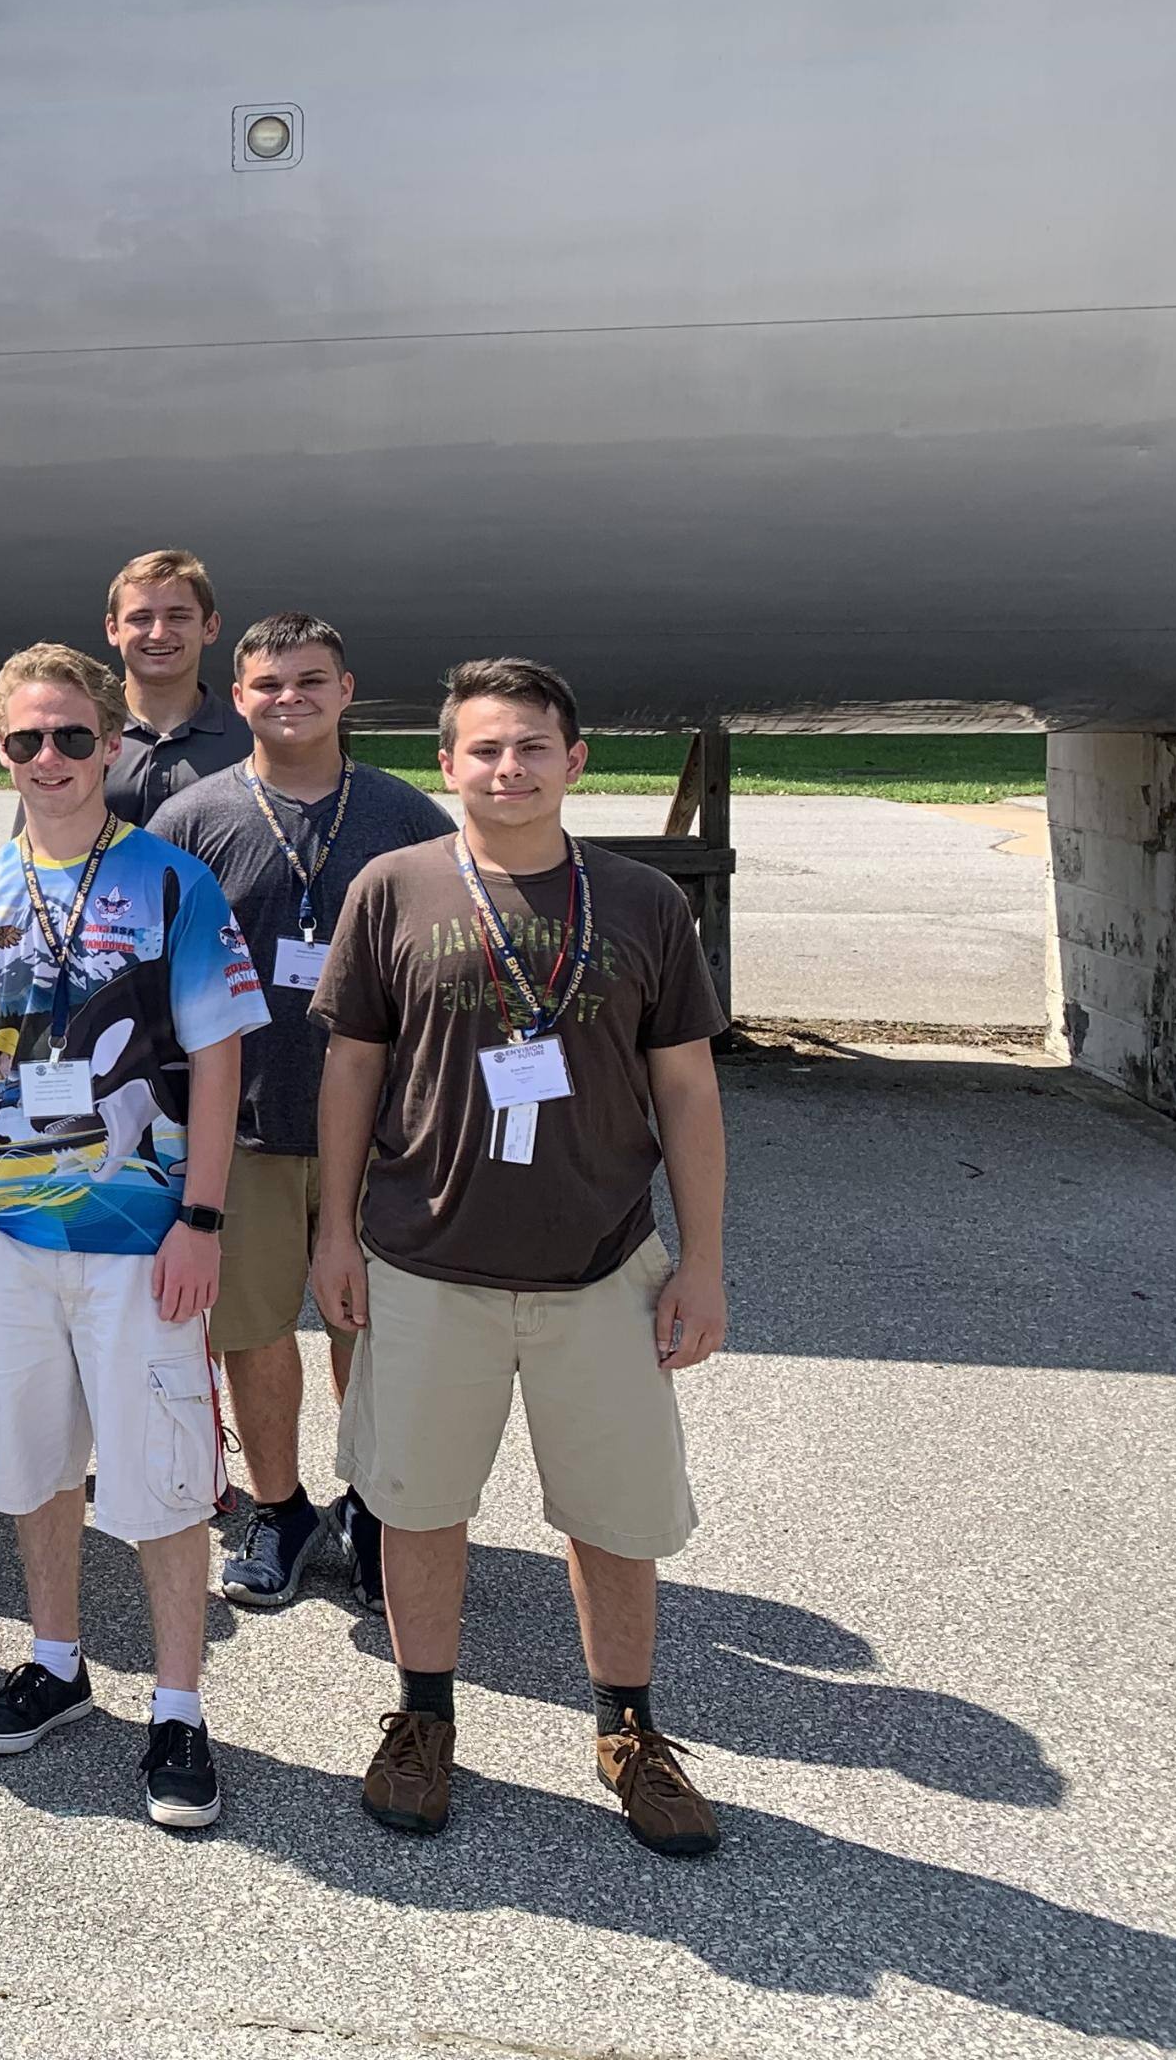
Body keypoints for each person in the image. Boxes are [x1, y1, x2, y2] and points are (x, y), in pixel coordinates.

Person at [311, 657, 731, 1856]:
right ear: (446, 765)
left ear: (573, 760)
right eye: (483, 749)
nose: (507, 768)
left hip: (601, 1266)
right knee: (417, 1504)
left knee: (613, 1515)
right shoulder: (391, 889)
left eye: (530, 746)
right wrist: (331, 1232)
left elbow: (687, 1090)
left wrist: (699, 1262)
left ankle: (629, 1730)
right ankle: (423, 1716)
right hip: (422, 1261)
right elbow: (349, 1069)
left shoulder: (643, 900)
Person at [0, 647, 265, 1828]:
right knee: (31, 1463)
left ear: (112, 746)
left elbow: (217, 1057)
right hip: (8, 1231)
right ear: (0, 751)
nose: (50, 759)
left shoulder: (171, 881)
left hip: (141, 1237)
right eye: (26, 740)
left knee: (162, 1476)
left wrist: (202, 1218)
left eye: (73, 736)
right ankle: (56, 1660)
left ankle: (176, 1705)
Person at [150, 612, 451, 1611]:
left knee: (369, 1322)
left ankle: (371, 1503)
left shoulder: (406, 819)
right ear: (235, 697)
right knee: (250, 1326)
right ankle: (279, 1509)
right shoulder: (192, 820)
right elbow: (145, 975)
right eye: (267, 683)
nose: (289, 698)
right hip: (241, 1125)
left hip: (383, 1130)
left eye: (309, 680)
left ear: (345, 687)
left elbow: (455, 969)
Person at [103, 549, 249, 823]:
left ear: (210, 627)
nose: (158, 633)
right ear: (113, 629)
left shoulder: (250, 743)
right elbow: (27, 856)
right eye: (140, 618)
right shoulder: (77, 736)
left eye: (178, 617)